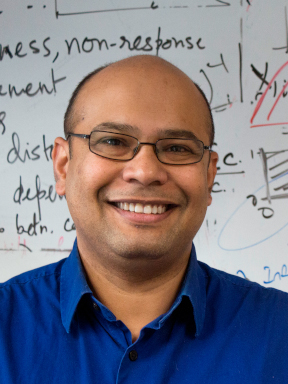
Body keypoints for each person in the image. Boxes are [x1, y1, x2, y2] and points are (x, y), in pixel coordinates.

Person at [0, 55, 287, 383]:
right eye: (113, 142)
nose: (145, 172)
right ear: (63, 165)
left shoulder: (281, 331)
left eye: (177, 148)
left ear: (209, 175)